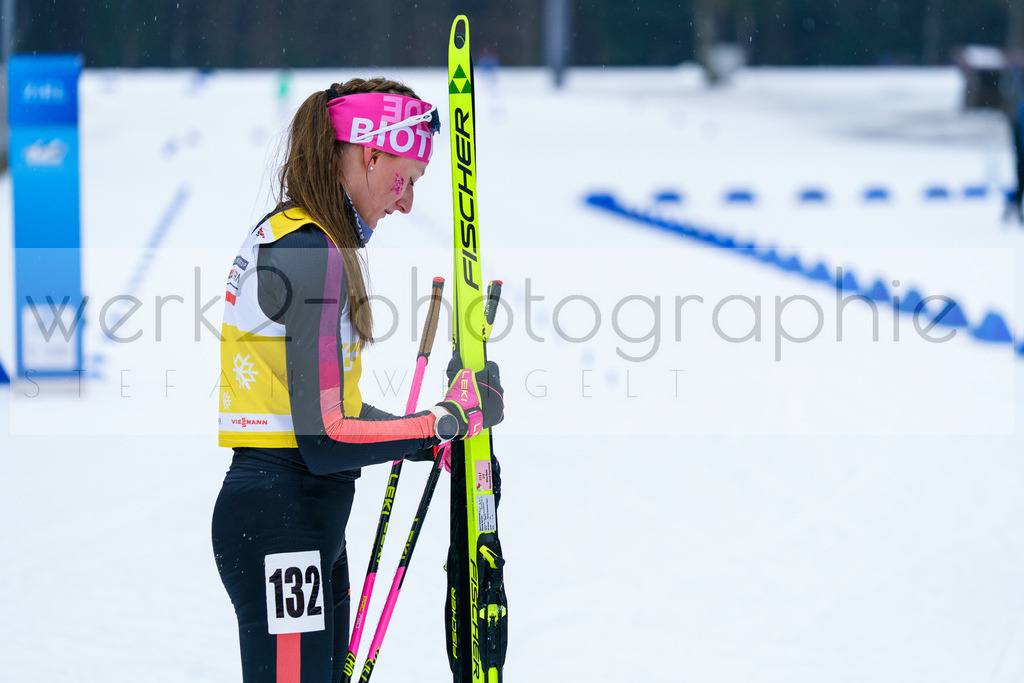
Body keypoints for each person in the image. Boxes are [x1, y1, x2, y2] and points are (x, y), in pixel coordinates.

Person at [211, 77, 504, 682]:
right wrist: (442, 423)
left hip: (298, 517)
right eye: (407, 179)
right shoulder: (310, 249)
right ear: (370, 154)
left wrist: (435, 437)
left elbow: (330, 411)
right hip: (281, 518)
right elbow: (325, 437)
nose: (406, 203)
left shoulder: (302, 237)